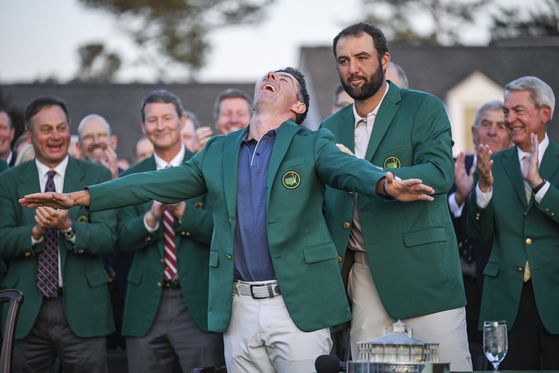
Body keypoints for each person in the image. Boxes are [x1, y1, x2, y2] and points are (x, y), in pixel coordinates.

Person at [20, 67, 435, 373]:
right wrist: (83, 196)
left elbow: (348, 170)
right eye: (268, 74)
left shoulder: (312, 143)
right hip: (238, 307)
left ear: (298, 106)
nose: (272, 76)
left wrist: (384, 183)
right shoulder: (218, 151)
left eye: (285, 79)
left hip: (298, 308)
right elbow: (149, 184)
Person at [321, 22, 472, 371]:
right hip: (362, 275)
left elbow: (439, 172)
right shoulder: (329, 129)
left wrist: (376, 177)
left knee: (447, 367)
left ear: (384, 60)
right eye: (343, 61)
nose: (352, 68)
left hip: (425, 272)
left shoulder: (423, 107)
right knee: (370, 369)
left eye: (362, 57)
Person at [0, 97, 117, 373]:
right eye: (46, 129)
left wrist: (68, 227)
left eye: (62, 128)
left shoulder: (98, 175)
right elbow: (2, 238)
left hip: (84, 308)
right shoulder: (8, 180)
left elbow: (108, 237)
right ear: (29, 135)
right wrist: (36, 231)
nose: (56, 136)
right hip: (26, 310)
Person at [118, 89, 224, 373]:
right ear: (143, 126)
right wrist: (152, 216)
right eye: (152, 120)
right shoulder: (130, 177)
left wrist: (183, 211)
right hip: (145, 309)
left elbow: (224, 230)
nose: (160, 126)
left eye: (167, 118)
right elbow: (122, 238)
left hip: (198, 305)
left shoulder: (211, 168)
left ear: (181, 120)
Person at [467, 76, 559, 370]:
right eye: (507, 111)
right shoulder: (491, 163)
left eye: (518, 110)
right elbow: (478, 234)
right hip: (505, 299)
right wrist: (483, 188)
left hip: (554, 296)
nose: (510, 119)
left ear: (544, 114)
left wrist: (539, 185)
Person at [448, 100, 511, 345]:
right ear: (474, 132)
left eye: (501, 126)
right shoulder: (452, 167)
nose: (493, 131)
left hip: (495, 289)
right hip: (455, 288)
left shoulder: (520, 173)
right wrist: (460, 197)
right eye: (486, 124)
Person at [77, 114, 120, 179]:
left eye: (102, 135)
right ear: (79, 147)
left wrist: (114, 180)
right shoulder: (69, 182)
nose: (96, 142)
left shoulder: (130, 179)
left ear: (114, 142)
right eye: (88, 136)